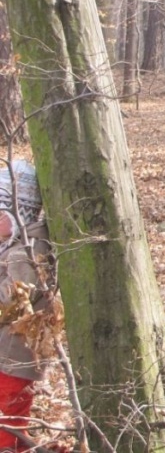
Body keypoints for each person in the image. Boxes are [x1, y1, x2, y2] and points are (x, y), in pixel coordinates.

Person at [0, 160, 54, 452]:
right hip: (7, 354)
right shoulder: (13, 244)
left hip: (17, 357)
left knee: (9, 419)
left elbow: (14, 299)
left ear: (19, 212)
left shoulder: (29, 251)